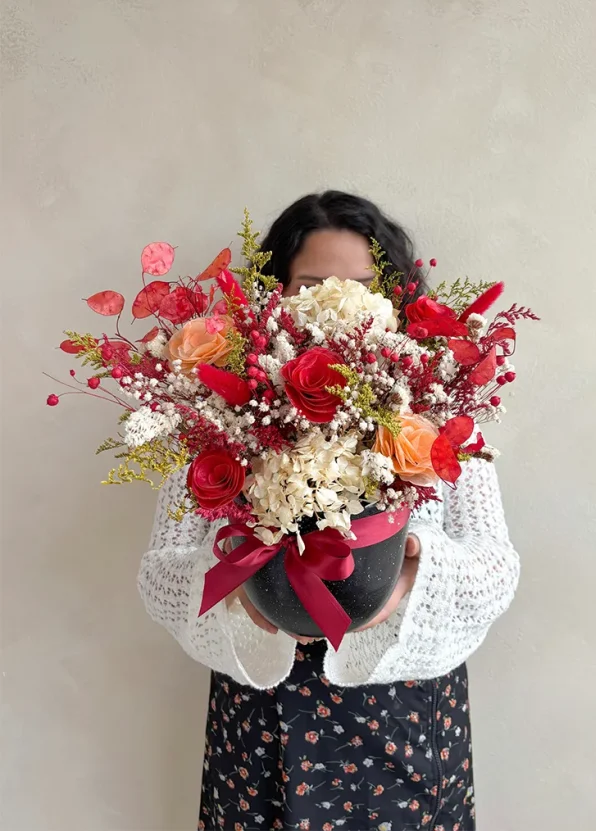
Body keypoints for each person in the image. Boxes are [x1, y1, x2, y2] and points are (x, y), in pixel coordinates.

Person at [138, 191, 519, 831]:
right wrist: (236, 589)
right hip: (261, 721)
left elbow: (496, 569)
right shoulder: (216, 415)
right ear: (276, 295)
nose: (337, 305)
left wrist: (412, 575)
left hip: (404, 718)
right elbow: (160, 572)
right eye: (312, 287)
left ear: (394, 298)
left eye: (362, 288)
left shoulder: (442, 409)